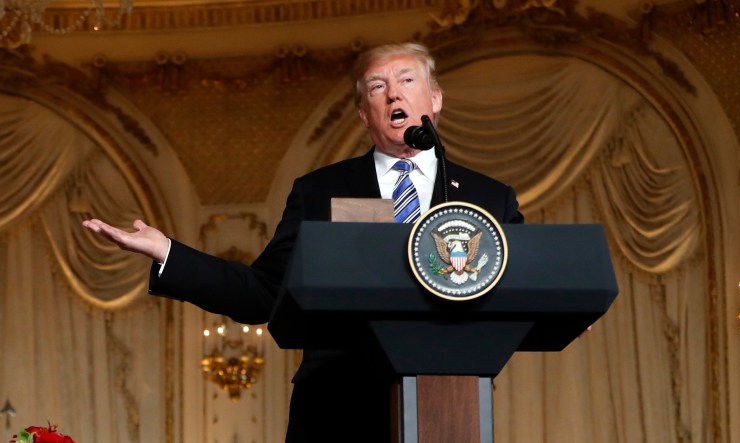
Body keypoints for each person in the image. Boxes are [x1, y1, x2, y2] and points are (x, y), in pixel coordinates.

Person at [83, 42, 524, 442]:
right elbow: (263, 294)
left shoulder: (488, 197)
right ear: (363, 113)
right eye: (377, 86)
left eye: (407, 80)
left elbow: (525, 284)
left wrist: (567, 300)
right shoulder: (322, 191)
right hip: (337, 409)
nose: (394, 94)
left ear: (436, 98)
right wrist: (167, 252)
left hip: (450, 405)